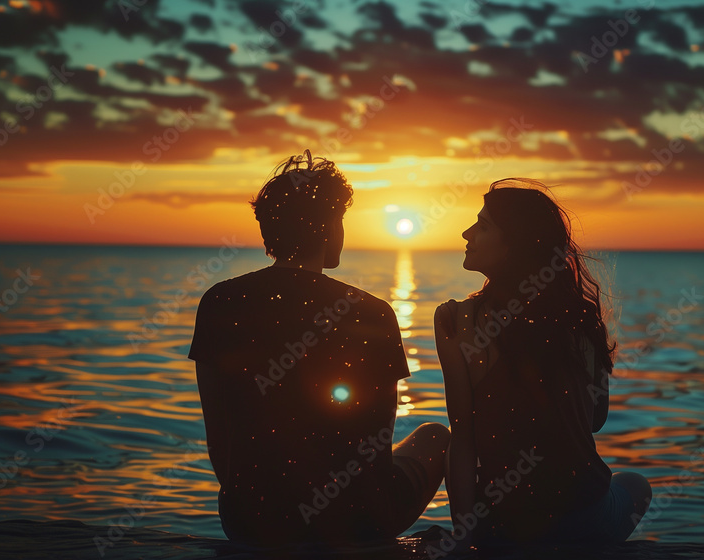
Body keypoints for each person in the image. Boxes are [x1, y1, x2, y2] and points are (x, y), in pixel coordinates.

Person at [188, 150, 449, 549]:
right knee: (435, 436)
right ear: (328, 226)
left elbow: (219, 437)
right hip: (356, 521)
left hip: (249, 520)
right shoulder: (371, 313)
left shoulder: (219, 302)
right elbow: (375, 446)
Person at [433, 178, 650, 550]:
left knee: (451, 439)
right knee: (637, 484)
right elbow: (596, 419)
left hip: (502, 525)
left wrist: (465, 538)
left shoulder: (455, 320)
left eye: (483, 226)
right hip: (582, 521)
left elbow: (464, 438)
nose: (466, 232)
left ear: (514, 245)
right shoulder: (578, 319)